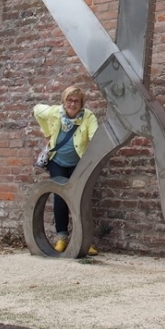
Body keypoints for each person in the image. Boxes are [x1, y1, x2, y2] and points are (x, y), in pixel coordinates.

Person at [33, 85, 99, 255]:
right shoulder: (55, 112)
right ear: (64, 101)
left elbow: (95, 136)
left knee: (80, 198)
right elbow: (37, 110)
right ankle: (62, 238)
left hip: (78, 163)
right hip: (58, 162)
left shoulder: (88, 117)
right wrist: (47, 134)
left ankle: (84, 240)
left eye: (77, 101)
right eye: (69, 100)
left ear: (81, 104)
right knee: (60, 197)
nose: (73, 104)